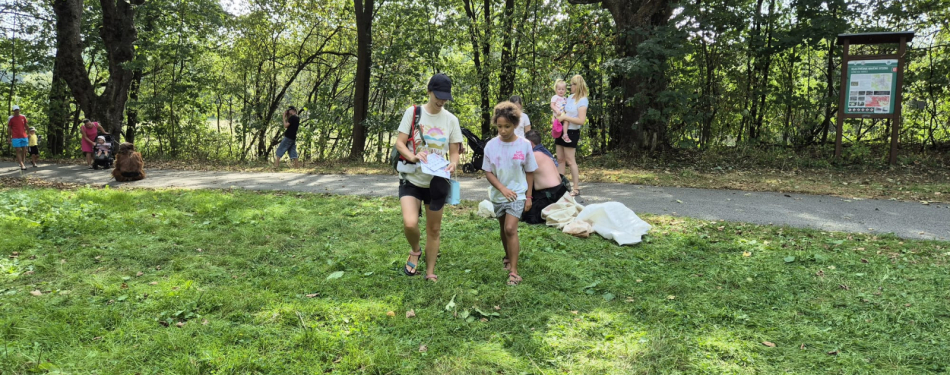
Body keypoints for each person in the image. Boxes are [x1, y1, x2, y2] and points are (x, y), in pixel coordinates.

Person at [395, 73, 462, 282]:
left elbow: (454, 152)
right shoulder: (413, 113)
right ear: (429, 91)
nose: (441, 101)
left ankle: (430, 271)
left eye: (445, 97)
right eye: (437, 96)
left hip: (437, 181)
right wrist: (413, 156)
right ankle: (415, 250)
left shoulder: (451, 120)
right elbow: (399, 143)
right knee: (409, 223)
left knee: (434, 229)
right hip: (412, 178)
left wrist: (453, 163)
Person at [482, 101, 537, 286]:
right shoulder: (490, 146)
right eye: (499, 126)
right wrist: (501, 189)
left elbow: (530, 171)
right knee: (502, 228)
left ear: (515, 125)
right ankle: (507, 257)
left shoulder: (524, 145)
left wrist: (529, 196)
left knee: (510, 228)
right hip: (498, 195)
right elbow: (488, 171)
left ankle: (514, 271)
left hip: (518, 194)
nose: (503, 130)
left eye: (507, 126)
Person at [522, 130, 568, 225]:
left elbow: (520, 176)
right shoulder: (545, 153)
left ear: (529, 143)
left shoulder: (533, 156)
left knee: (528, 216)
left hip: (549, 195)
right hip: (561, 191)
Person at [554, 75, 589, 196]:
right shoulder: (569, 97)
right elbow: (562, 109)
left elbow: (581, 120)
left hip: (572, 132)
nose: (570, 87)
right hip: (561, 130)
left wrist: (565, 117)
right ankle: (560, 186)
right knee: (560, 159)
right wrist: (558, 116)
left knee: (570, 160)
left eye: (572, 85)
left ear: (577, 86)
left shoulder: (582, 100)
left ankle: (576, 188)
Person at [7, 105, 28, 170]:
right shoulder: (11, 118)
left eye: (17, 110)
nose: (17, 111)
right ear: (13, 111)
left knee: (24, 150)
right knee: (18, 150)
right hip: (15, 137)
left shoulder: (23, 117)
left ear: (19, 110)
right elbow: (9, 128)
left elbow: (26, 125)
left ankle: (22, 162)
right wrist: (9, 137)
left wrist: (29, 133)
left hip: (24, 136)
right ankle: (22, 165)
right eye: (15, 110)